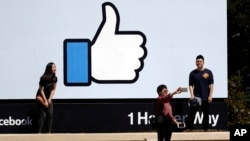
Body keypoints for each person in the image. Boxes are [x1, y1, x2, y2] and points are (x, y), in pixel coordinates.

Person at [187, 55, 214, 132]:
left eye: (200, 61)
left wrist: (210, 96)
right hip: (196, 97)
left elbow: (211, 84)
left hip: (206, 96)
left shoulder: (208, 72)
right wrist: (192, 95)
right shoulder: (192, 73)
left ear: (203, 62)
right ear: (195, 62)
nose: (198, 63)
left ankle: (206, 128)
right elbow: (190, 85)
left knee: (206, 113)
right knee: (192, 113)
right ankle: (190, 128)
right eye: (197, 61)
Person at [36, 62, 57, 133]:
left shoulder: (54, 78)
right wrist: (45, 101)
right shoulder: (43, 78)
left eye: (55, 67)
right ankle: (38, 133)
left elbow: (53, 89)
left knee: (50, 115)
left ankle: (49, 133)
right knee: (43, 115)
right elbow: (41, 90)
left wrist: (50, 99)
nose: (55, 68)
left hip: (49, 98)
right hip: (41, 97)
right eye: (53, 67)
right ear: (49, 68)